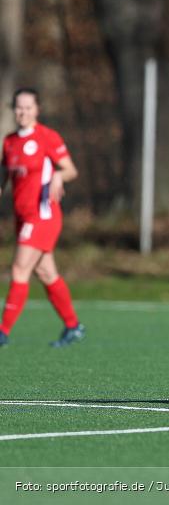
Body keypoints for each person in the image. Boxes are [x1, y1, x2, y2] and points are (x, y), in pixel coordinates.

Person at [0, 88, 81, 348]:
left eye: (28, 107)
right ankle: (73, 326)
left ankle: (2, 331)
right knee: (46, 272)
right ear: (13, 110)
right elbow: (4, 177)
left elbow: (70, 170)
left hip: (43, 214)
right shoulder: (9, 141)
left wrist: (58, 175)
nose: (23, 112)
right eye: (19, 108)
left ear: (37, 110)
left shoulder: (47, 137)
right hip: (22, 216)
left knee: (19, 269)